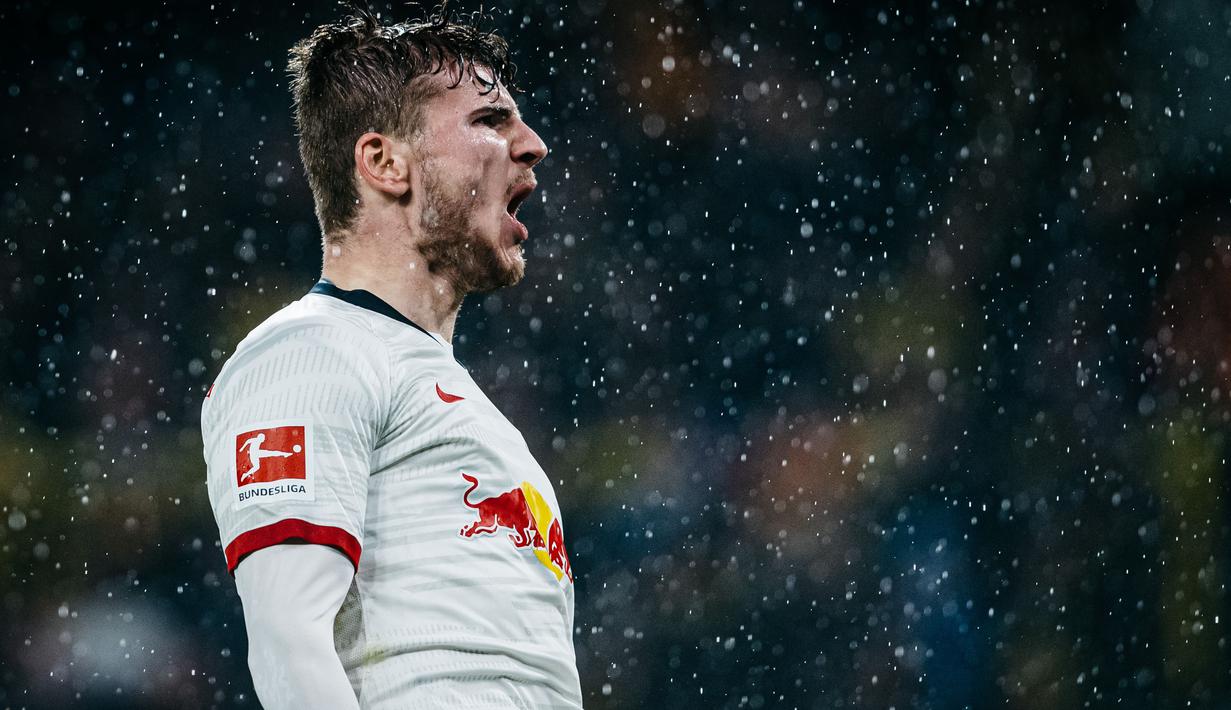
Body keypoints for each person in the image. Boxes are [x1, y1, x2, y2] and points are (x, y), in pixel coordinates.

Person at [199, 6, 581, 708]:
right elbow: (289, 638)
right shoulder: (310, 351)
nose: (532, 145)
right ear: (383, 163)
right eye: (489, 121)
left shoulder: (455, 398)